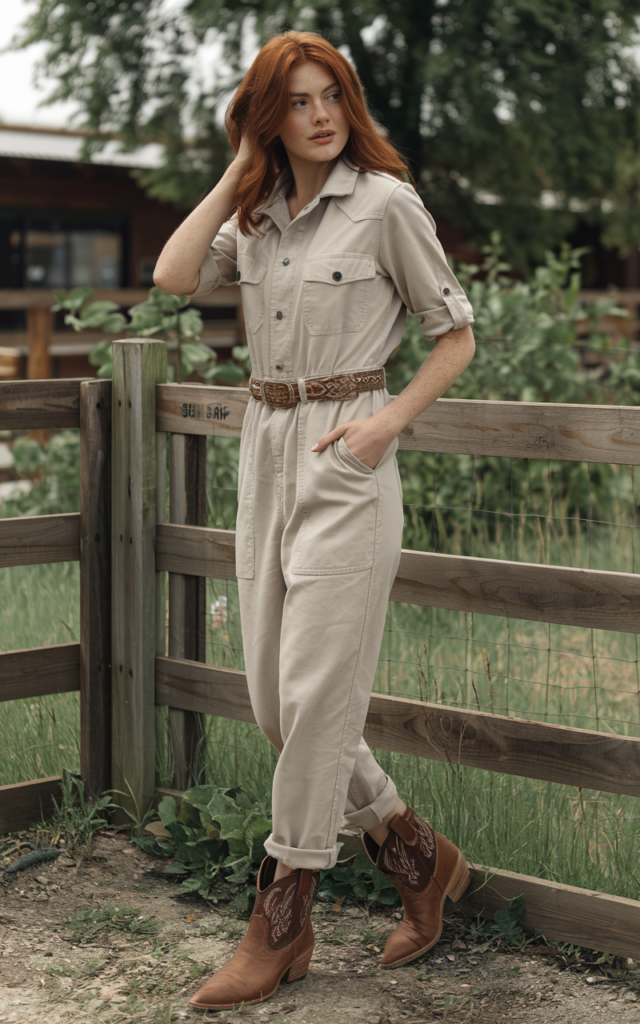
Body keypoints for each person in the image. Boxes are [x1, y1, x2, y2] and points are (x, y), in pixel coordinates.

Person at [154, 29, 476, 1013]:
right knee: (276, 705)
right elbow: (172, 277)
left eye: (330, 93)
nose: (321, 115)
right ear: (268, 117)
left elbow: (454, 336)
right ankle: (416, 856)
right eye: (295, 101)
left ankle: (277, 924)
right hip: (266, 452)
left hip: (347, 459)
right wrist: (236, 168)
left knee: (313, 702)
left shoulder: (386, 205)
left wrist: (381, 427)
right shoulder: (253, 218)